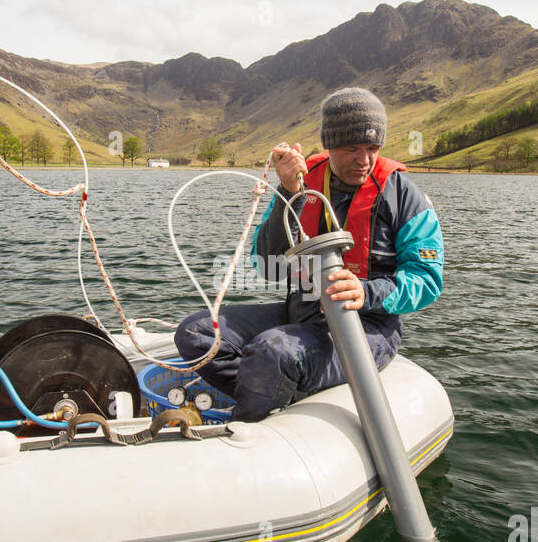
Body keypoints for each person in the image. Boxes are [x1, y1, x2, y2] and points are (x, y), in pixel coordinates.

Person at [175, 87, 444, 421]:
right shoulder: (299, 184)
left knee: (273, 351)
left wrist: (366, 291)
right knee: (197, 333)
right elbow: (267, 267)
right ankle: (275, 396)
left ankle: (248, 421)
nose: (364, 160)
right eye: (352, 148)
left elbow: (427, 280)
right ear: (329, 144)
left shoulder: (405, 197)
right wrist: (289, 194)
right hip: (302, 312)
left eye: (373, 148)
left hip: (369, 327)